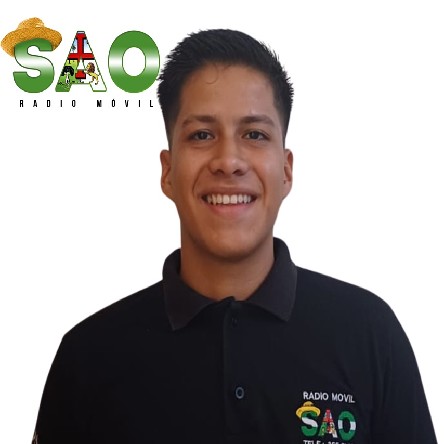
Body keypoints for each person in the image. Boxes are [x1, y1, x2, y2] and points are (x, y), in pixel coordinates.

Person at [32, 29, 437, 444]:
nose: (228, 161)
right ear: (168, 172)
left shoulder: (370, 335)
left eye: (255, 134)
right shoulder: (89, 357)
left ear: (286, 171)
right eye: (201, 135)